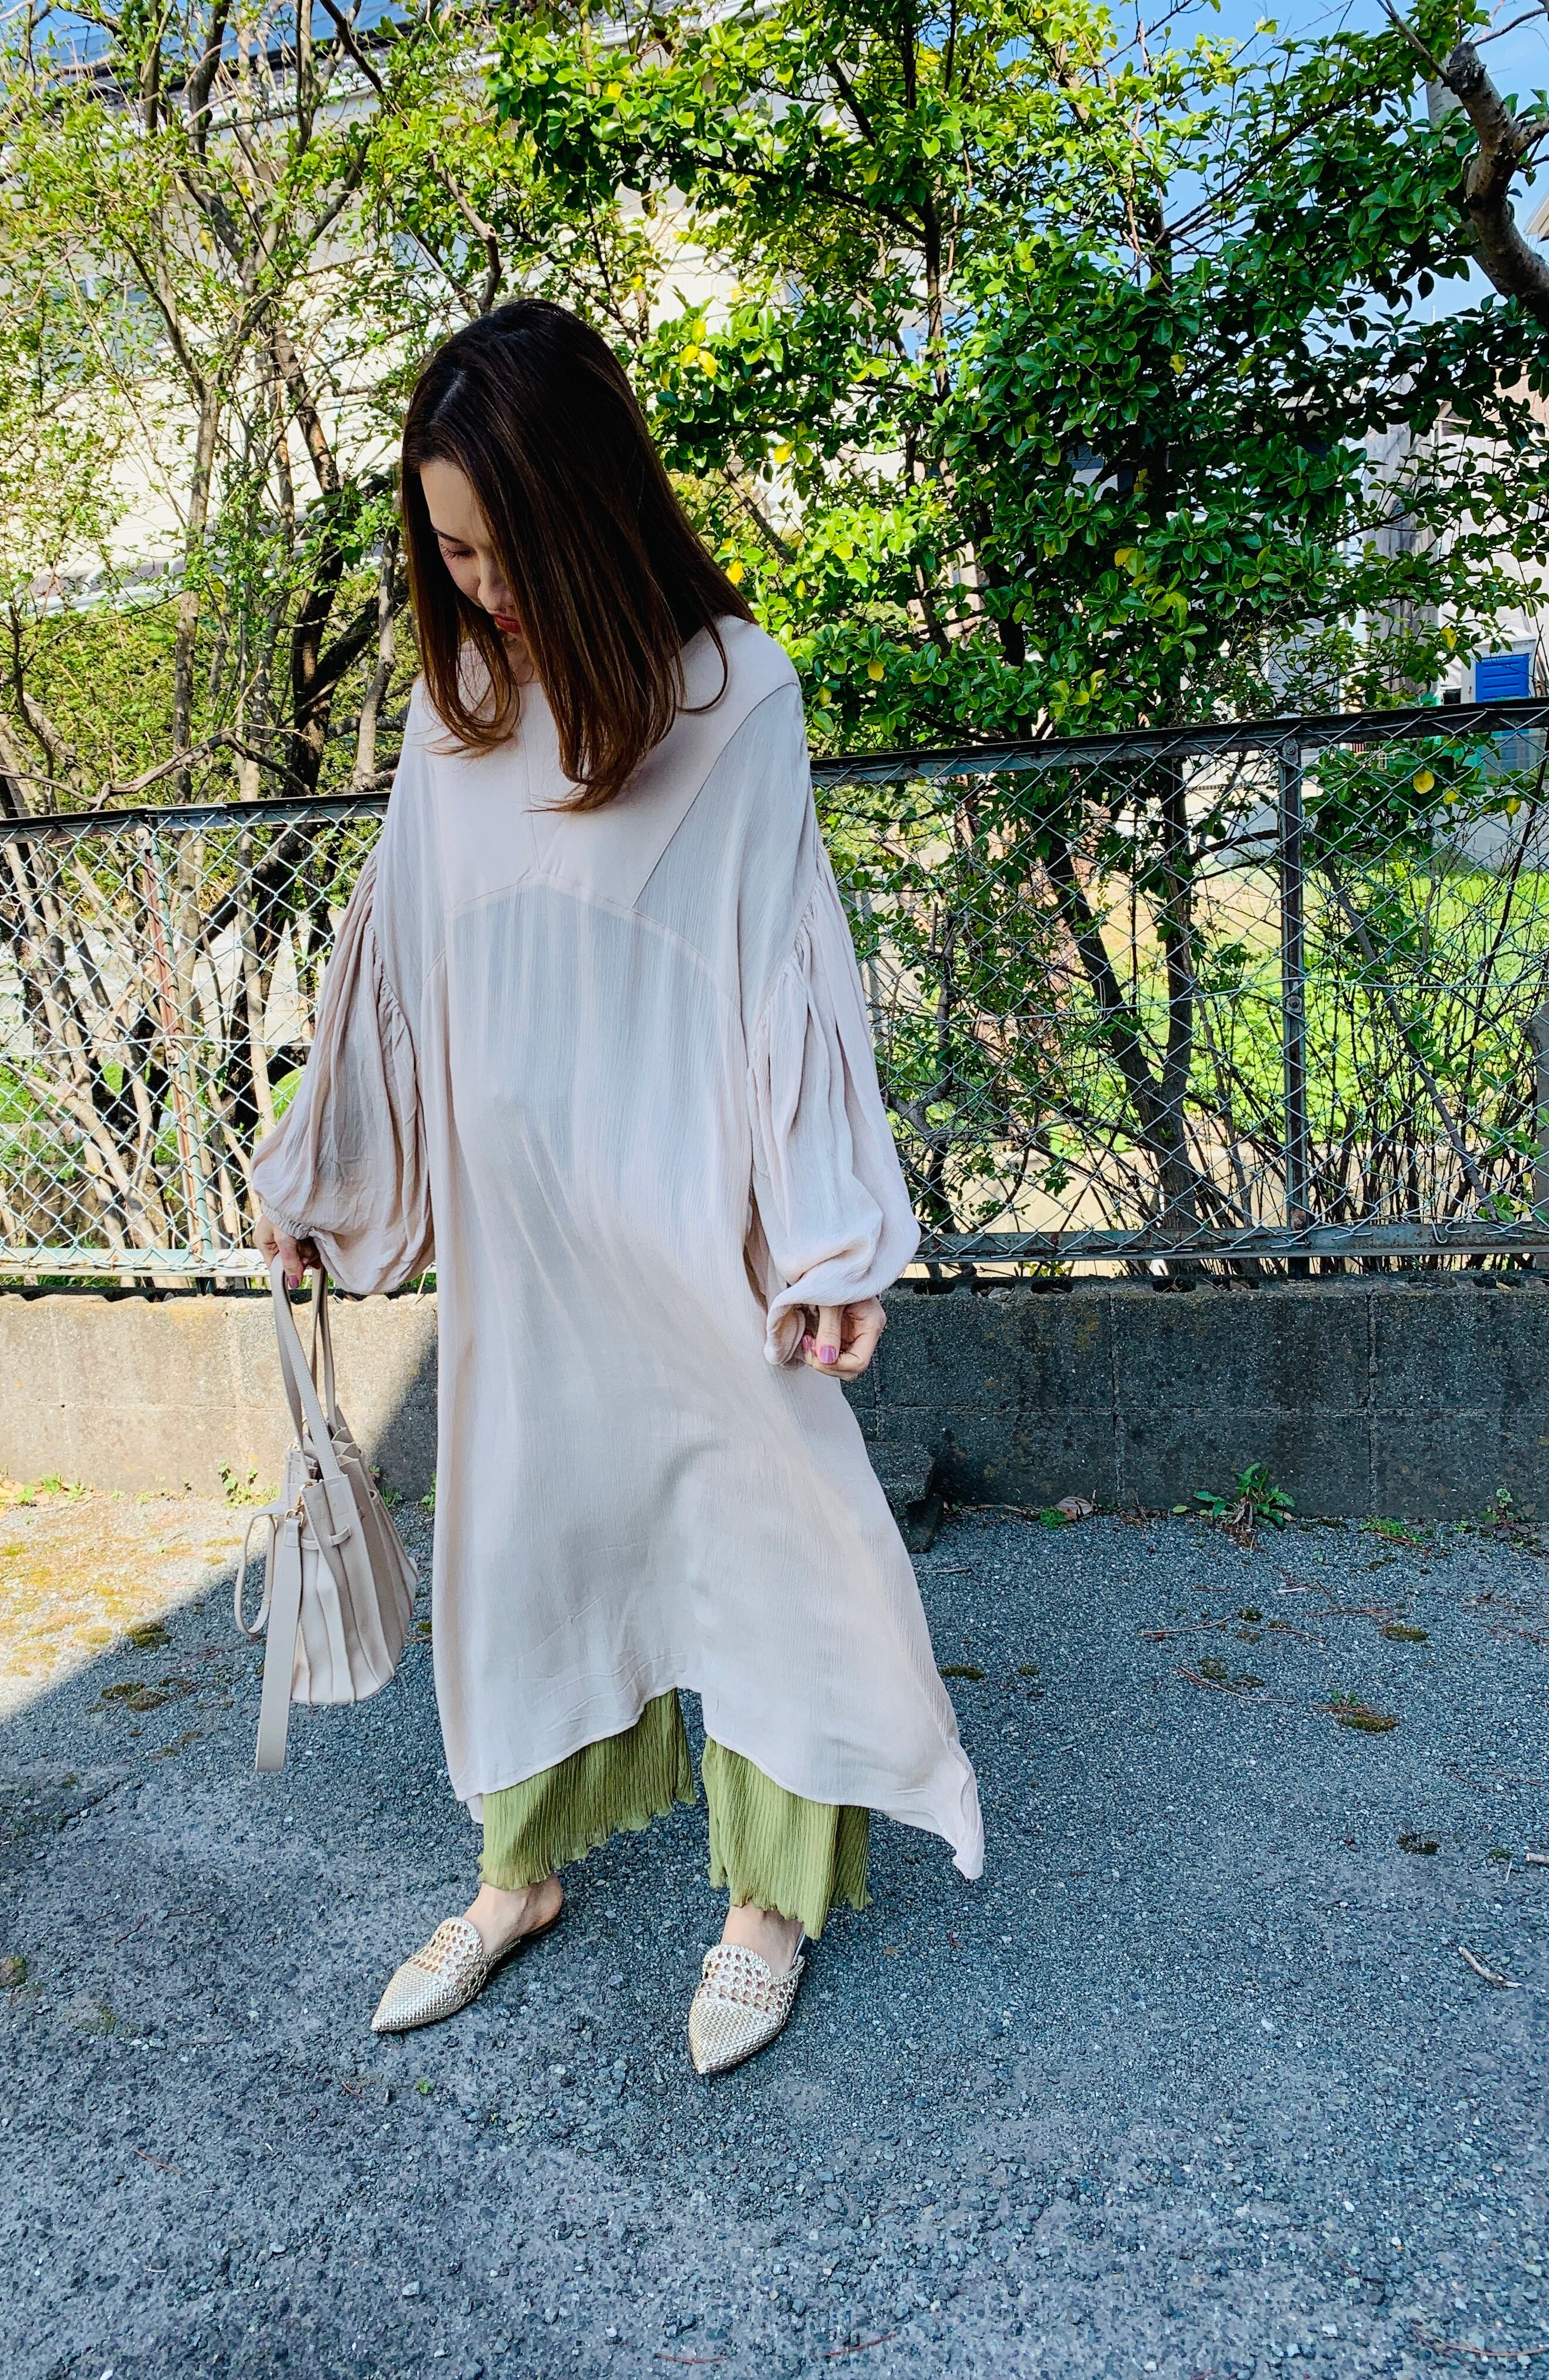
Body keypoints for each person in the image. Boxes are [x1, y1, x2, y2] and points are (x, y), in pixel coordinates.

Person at [250, 298, 982, 2076]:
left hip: (687, 1226)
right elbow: (394, 965)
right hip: (521, 1252)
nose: (481, 586)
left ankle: (767, 1906)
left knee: (768, 1535)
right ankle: (517, 1880)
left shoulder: (734, 697)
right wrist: (325, 1176)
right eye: (450, 551)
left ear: (588, 507)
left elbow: (792, 973)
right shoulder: (452, 715)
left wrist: (827, 1239)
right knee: (522, 1542)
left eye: (504, 545)